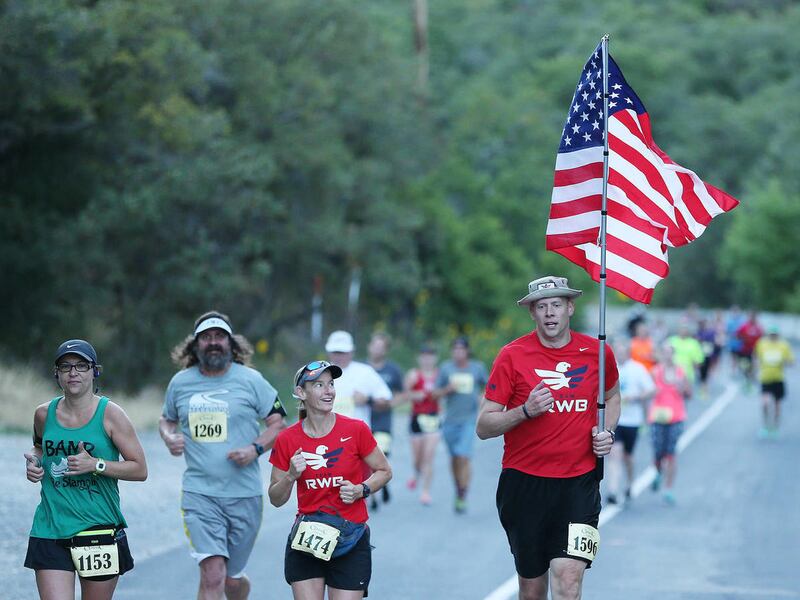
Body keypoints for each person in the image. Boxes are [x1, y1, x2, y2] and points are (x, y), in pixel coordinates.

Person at [476, 276, 620, 600]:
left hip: (579, 483)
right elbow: (484, 426)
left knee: (568, 580)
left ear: (570, 308)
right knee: (532, 589)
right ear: (532, 313)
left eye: (556, 304)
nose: (550, 312)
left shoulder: (597, 353)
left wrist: (607, 431)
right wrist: (525, 411)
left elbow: (612, 397)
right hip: (524, 485)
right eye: (541, 306)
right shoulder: (512, 355)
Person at [159, 311, 287, 600]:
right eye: (206, 337)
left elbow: (278, 424)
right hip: (199, 494)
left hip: (244, 495)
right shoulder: (181, 382)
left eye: (219, 336)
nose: (213, 342)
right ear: (195, 345)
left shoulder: (251, 380)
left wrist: (254, 449)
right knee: (212, 574)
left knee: (231, 580)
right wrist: (169, 437)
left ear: (231, 343)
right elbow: (166, 419)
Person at [24, 339, 148, 600]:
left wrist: (96, 465)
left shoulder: (111, 414)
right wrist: (34, 462)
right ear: (56, 373)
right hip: (50, 525)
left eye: (81, 366)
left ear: (94, 371)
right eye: (65, 366)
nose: (73, 372)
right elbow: (39, 448)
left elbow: (140, 469)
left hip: (98, 528)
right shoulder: (43, 414)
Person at [268, 360, 392, 599]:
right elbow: (275, 498)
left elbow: (384, 471)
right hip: (308, 537)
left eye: (331, 384)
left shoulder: (356, 430)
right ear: (301, 393)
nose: (329, 391)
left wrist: (361, 489)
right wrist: (291, 476)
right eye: (319, 385)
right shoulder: (287, 439)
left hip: (351, 537)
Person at [434, 336, 488, 513]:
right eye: (455, 349)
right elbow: (434, 394)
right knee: (454, 458)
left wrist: (483, 397)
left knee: (463, 456)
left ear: (467, 351)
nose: (458, 352)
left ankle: (463, 493)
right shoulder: (446, 368)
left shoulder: (477, 368)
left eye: (461, 349)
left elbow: (490, 386)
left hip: (469, 420)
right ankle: (458, 487)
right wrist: (447, 390)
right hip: (450, 421)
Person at [607, 339, 655, 505]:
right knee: (615, 454)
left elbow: (651, 390)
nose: (620, 354)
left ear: (628, 352)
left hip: (633, 420)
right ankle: (613, 491)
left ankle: (629, 483)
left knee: (628, 456)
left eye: (623, 351)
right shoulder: (609, 368)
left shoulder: (637, 369)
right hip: (615, 419)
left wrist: (636, 397)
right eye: (617, 351)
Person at [647, 342, 690, 505]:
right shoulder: (655, 372)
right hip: (658, 416)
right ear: (661, 354)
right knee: (658, 451)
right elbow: (646, 391)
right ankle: (658, 472)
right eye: (664, 352)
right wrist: (653, 391)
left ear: (673, 354)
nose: (667, 355)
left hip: (676, 417)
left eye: (670, 352)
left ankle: (668, 489)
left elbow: (689, 393)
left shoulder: (680, 372)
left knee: (671, 453)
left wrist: (682, 388)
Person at [366, 331, 404, 509]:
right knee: (366, 459)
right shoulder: (362, 369)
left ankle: (382, 483)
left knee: (381, 456)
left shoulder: (392, 370)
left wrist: (390, 403)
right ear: (369, 347)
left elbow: (402, 393)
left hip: (383, 423)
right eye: (375, 345)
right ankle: (374, 496)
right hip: (364, 421)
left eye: (381, 347)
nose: (377, 350)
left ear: (385, 350)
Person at [324, 330, 392, 426]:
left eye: (342, 352)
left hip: (357, 432)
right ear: (328, 352)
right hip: (326, 431)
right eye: (335, 352)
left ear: (351, 352)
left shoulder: (365, 372)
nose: (338, 356)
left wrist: (367, 400)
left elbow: (386, 400)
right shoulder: (319, 373)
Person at [403, 344, 441, 505]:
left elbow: (445, 391)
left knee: (428, 456)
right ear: (419, 358)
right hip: (416, 418)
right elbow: (404, 395)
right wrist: (414, 394)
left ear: (435, 358)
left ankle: (425, 492)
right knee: (418, 458)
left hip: (433, 417)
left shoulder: (440, 375)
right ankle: (416, 473)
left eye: (430, 356)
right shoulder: (413, 374)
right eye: (424, 356)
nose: (427, 359)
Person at [754, 325, 794, 439]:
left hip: (778, 378)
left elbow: (791, 361)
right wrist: (755, 368)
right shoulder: (762, 344)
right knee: (765, 403)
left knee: (777, 405)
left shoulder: (784, 345)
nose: (773, 337)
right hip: (765, 378)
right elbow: (756, 357)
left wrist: (785, 361)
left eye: (775, 335)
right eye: (771, 334)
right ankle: (766, 425)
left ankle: (775, 427)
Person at [735, 311, 764, 387]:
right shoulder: (744, 326)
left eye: (754, 317)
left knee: (754, 367)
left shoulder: (759, 327)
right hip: (744, 350)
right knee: (743, 366)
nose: (752, 318)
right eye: (751, 317)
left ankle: (750, 380)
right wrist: (743, 338)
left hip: (755, 351)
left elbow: (762, 338)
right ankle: (746, 378)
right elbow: (737, 335)